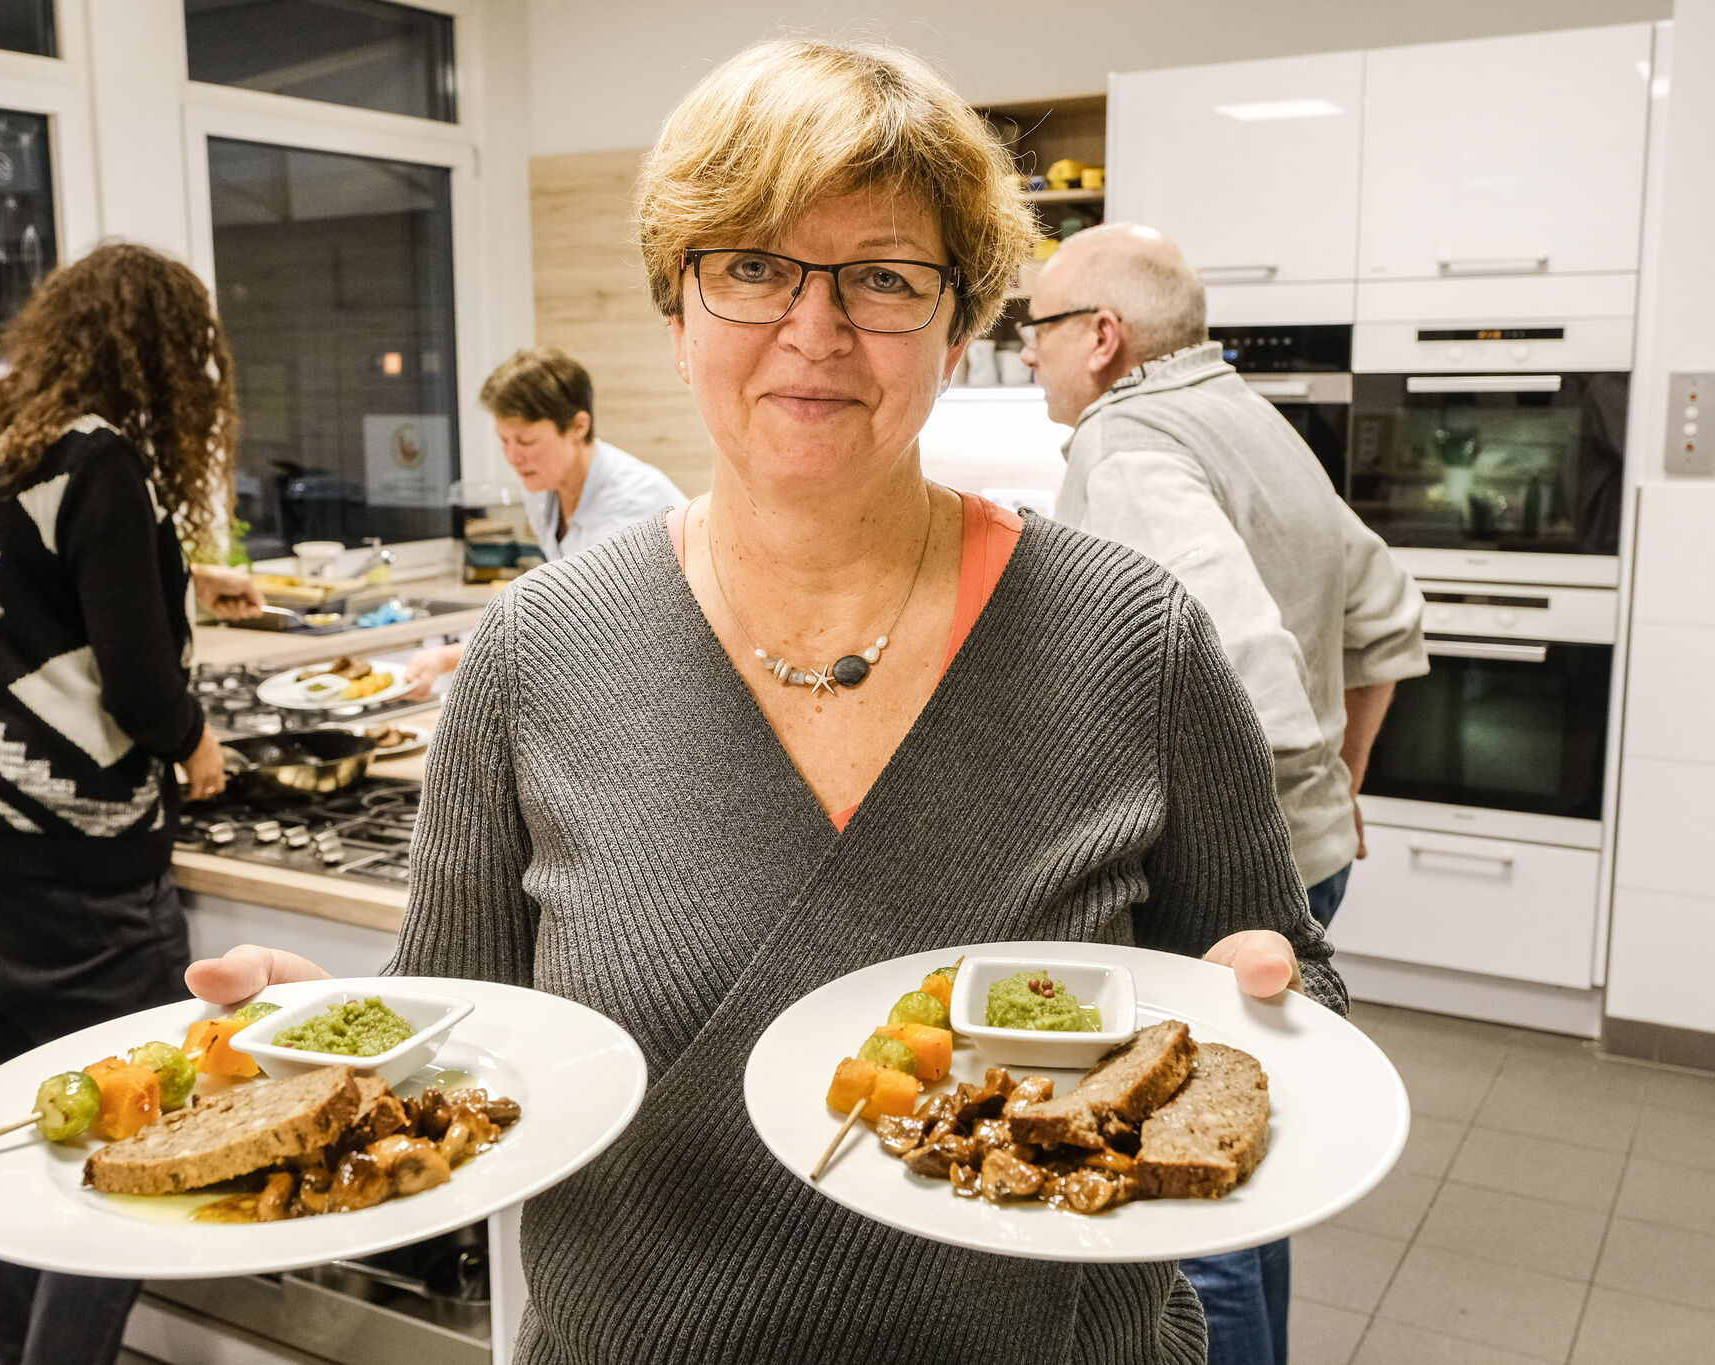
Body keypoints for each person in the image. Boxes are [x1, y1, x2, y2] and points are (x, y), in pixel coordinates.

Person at [190, 39, 1343, 1365]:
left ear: (959, 327)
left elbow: (1287, 980)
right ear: (674, 314)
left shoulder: (1130, 639)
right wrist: (328, 1041)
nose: (814, 330)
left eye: (883, 277)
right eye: (750, 267)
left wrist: (1260, 1009)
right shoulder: (536, 652)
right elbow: (469, 1035)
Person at [1023, 222, 1427, 1365]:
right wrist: (1335, 786)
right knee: (1241, 1158)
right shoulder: (1252, 421)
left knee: (1188, 1203)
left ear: (1099, 337)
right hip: (1308, 857)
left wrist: (1230, 835)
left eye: (1037, 330)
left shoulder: (1125, 439)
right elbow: (1386, 610)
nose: (1030, 356)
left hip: (1226, 887)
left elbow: (1233, 655)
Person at [0, 242, 255, 1365]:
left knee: (8, 1141)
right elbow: (138, 692)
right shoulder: (102, 463)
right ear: (166, 361)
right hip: (53, 863)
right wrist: (195, 740)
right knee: (142, 1139)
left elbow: (29, 620)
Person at [404, 347, 682, 697]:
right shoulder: (543, 490)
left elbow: (580, 626)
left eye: (526, 440)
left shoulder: (629, 503)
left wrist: (450, 658)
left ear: (578, 426)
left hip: (663, 678)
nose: (512, 456)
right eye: (504, 440)